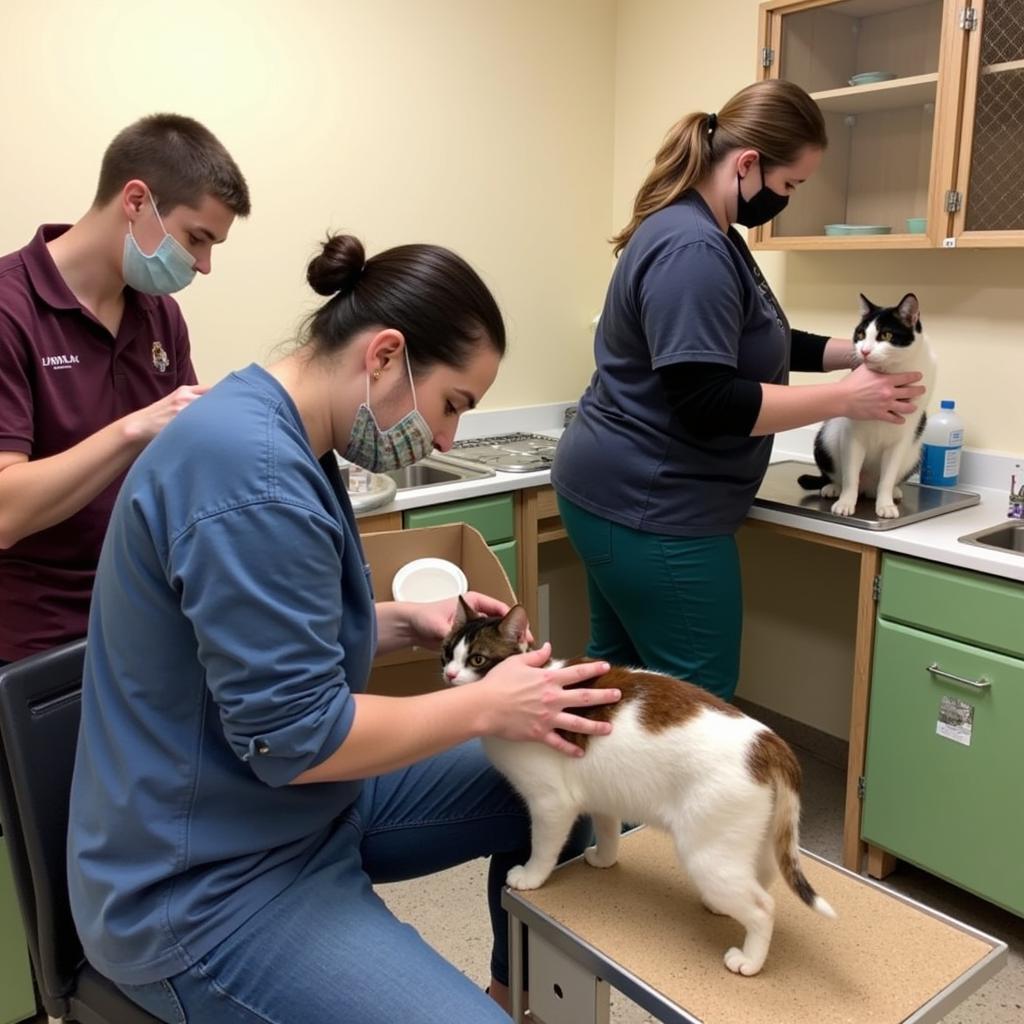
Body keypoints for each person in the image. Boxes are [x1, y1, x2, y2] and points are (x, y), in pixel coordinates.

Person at [67, 232, 621, 1023]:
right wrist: (488, 706)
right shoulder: (250, 475)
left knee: (578, 764)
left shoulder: (290, 436)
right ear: (387, 356)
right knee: (523, 734)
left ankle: (513, 992)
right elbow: (298, 738)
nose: (446, 439)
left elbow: (276, 637)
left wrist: (409, 623)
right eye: (452, 405)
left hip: (291, 812)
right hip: (203, 884)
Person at [551, 79, 926, 701]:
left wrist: (856, 354)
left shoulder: (712, 232)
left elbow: (764, 337)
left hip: (616, 492)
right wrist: (844, 398)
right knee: (697, 706)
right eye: (789, 185)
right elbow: (708, 402)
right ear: (748, 164)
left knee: (611, 687)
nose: (787, 199)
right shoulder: (693, 248)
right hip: (654, 507)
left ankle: (594, 802)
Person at [0, 113, 250, 665]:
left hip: (143, 620)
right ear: (136, 201)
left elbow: (179, 472)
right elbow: (5, 511)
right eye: (196, 239)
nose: (204, 266)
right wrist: (135, 428)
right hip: (36, 647)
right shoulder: (9, 311)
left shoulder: (160, 316)